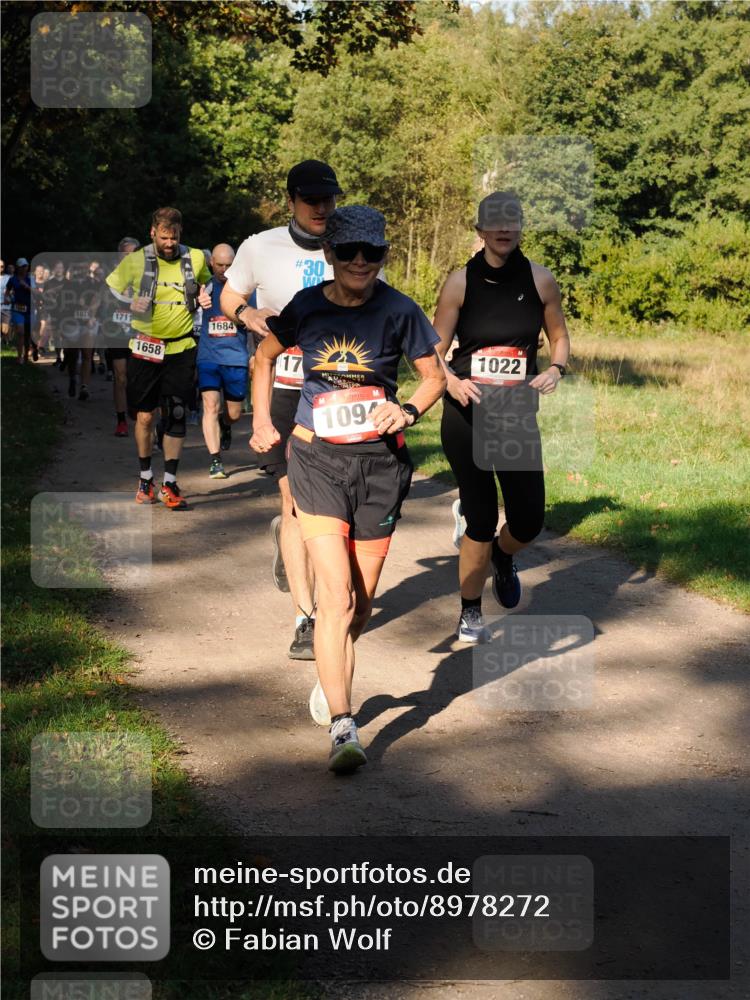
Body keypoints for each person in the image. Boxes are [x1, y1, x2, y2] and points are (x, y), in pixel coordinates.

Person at [251, 205, 446, 773]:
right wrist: (264, 421)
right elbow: (265, 358)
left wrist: (406, 410)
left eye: (373, 252)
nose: (361, 261)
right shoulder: (307, 307)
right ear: (330, 255)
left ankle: (331, 668)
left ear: (383, 255)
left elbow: (432, 375)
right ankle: (344, 724)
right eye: (348, 252)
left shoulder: (399, 310)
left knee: (358, 605)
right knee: (333, 598)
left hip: (380, 468)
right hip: (315, 462)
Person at [432, 191, 571, 643]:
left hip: (515, 415)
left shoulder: (541, 280)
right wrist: (450, 380)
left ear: (520, 227)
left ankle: (502, 555)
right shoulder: (459, 283)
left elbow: (559, 336)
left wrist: (555, 369)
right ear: (481, 230)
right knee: (479, 514)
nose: (504, 228)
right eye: (495, 222)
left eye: (512, 220)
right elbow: (433, 348)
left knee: (529, 519)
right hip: (467, 411)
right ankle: (470, 610)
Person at [221, 160, 342, 660]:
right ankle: (306, 618)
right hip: (286, 388)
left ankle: (325, 590)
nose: (321, 207)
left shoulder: (350, 248)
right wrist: (248, 314)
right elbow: (228, 294)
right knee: (294, 501)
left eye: (328, 198)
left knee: (333, 507)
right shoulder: (260, 245)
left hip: (338, 390)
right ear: (291, 200)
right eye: (310, 198)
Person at [105, 207, 211, 509]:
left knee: (176, 412)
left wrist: (205, 295)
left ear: (180, 233)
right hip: (145, 346)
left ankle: (170, 483)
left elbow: (208, 282)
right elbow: (112, 288)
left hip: (181, 346)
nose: (169, 243)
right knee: (146, 416)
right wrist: (130, 302)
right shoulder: (137, 260)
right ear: (153, 232)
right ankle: (145, 476)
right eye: (164, 237)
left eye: (174, 237)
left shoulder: (194, 258)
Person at [197, 243, 253, 479]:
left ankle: (226, 424)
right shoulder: (204, 286)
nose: (224, 270)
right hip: (208, 356)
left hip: (236, 357)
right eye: (219, 265)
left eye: (229, 265)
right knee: (210, 405)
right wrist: (196, 301)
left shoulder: (246, 288)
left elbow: (256, 322)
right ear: (212, 264)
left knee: (234, 413)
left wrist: (254, 355)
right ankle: (215, 460)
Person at [103, 237, 140, 436]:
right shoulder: (112, 277)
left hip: (139, 333)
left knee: (136, 378)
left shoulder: (145, 276)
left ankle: (134, 406)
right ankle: (121, 420)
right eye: (127, 254)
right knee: (120, 376)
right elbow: (101, 302)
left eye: (134, 253)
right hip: (117, 332)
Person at [5, 258, 32, 364]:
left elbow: (37, 293)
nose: (25, 268)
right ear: (18, 268)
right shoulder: (13, 279)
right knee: (20, 332)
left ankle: (26, 354)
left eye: (26, 266)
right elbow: (7, 292)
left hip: (29, 309)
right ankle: (19, 357)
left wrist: (26, 287)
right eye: (22, 266)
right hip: (17, 309)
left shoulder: (31, 279)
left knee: (27, 334)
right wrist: (7, 298)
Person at [1, 260, 11, 343]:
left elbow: (14, 289)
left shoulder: (8, 278)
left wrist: (9, 292)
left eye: (2, 266)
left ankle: (5, 338)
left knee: (5, 329)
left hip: (6, 306)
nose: (0, 268)